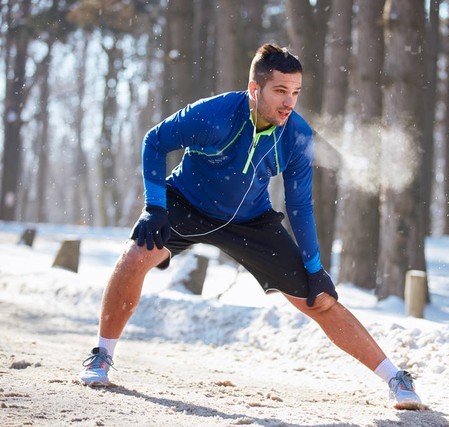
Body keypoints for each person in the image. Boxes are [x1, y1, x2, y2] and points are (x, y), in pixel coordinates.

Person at [79, 43, 423, 410]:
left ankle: (396, 378)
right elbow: (155, 142)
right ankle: (102, 354)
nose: (289, 102)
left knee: (319, 298)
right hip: (186, 203)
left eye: (295, 92)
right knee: (134, 257)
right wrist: (155, 206)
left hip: (250, 221)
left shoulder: (297, 136)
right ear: (254, 89)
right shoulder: (215, 115)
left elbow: (300, 205)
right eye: (280, 91)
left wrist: (314, 267)